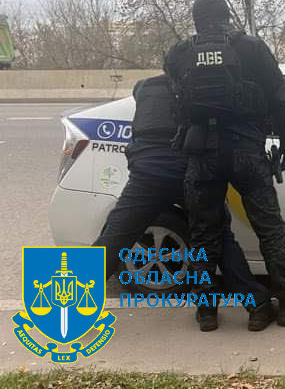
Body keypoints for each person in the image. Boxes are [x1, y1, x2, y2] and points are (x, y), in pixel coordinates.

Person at [164, 0, 285, 330]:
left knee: (204, 235)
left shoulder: (179, 54)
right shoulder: (251, 48)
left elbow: (176, 102)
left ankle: (206, 313)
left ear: (196, 20)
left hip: (202, 156)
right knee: (270, 230)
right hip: (246, 152)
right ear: (226, 17)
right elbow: (281, 99)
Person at [91, 73, 274, 332]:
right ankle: (256, 306)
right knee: (219, 238)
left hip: (147, 175)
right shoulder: (202, 85)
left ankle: (63, 310)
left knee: (113, 239)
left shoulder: (145, 87)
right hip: (190, 171)